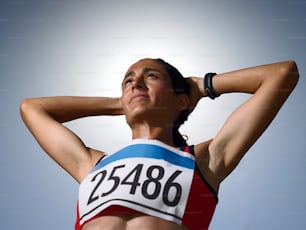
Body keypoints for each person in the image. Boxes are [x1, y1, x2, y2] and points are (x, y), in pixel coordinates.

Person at [20, 58, 299, 230]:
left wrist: (201, 86)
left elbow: (282, 74)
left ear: (181, 100)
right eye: (128, 81)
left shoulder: (205, 160)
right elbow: (31, 108)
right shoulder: (92, 164)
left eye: (150, 76)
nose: (135, 83)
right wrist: (123, 103)